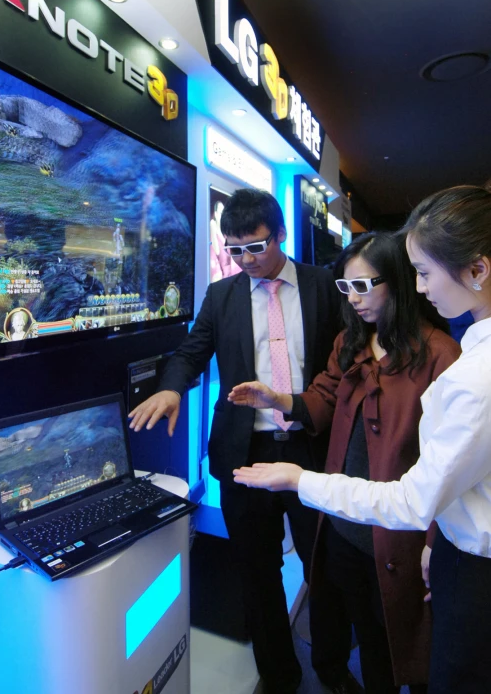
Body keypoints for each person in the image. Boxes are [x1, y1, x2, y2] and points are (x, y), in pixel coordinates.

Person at [233, 184, 491, 694]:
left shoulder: (446, 357)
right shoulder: (350, 340)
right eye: (344, 289)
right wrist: (279, 401)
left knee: (407, 647)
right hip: (347, 522)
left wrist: (435, 542)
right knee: (365, 637)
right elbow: (324, 397)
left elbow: (442, 481)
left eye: (365, 286)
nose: (353, 300)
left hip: (398, 532)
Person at [128, 188, 354, 694]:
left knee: (327, 566)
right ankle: (278, 674)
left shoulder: (323, 287)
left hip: (310, 447)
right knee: (257, 570)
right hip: (243, 453)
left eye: (256, 248)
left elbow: (345, 365)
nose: (246, 261)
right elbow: (191, 352)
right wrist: (170, 389)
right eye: (235, 250)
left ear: (280, 236)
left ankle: (334, 670)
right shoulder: (222, 295)